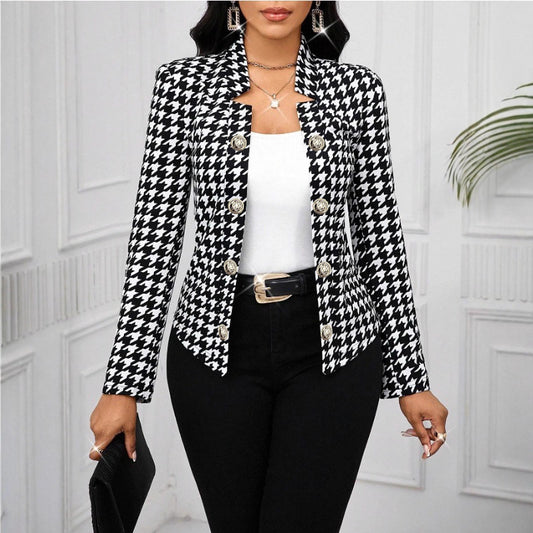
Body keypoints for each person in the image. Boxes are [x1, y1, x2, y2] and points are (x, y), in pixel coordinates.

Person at [89, 2, 449, 531]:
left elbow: (380, 239)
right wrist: (122, 384)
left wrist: (410, 378)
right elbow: (154, 240)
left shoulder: (357, 90)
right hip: (213, 351)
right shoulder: (182, 86)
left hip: (335, 353)